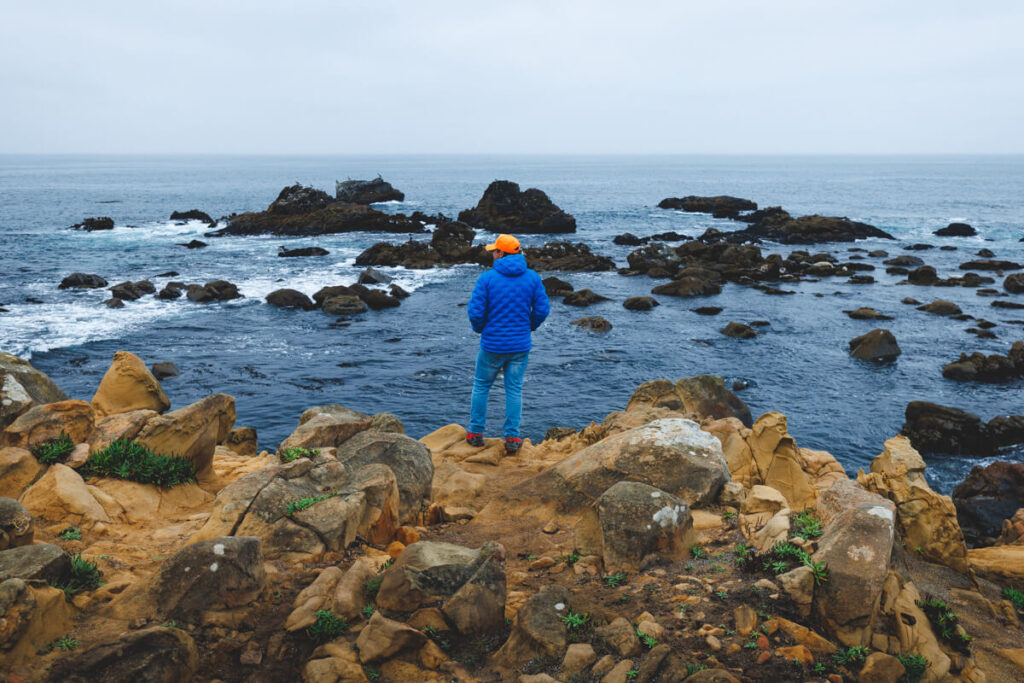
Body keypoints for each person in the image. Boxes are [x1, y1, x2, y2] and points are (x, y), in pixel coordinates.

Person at [466, 233, 550, 455]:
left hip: (492, 345)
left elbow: (475, 312)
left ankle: (475, 434)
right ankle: (512, 438)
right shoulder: (532, 278)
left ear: (501, 253)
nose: (492, 254)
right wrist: (529, 327)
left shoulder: (487, 279)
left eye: (494, 251)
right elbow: (542, 310)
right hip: (520, 346)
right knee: (514, 390)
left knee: (481, 387)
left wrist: (480, 329)